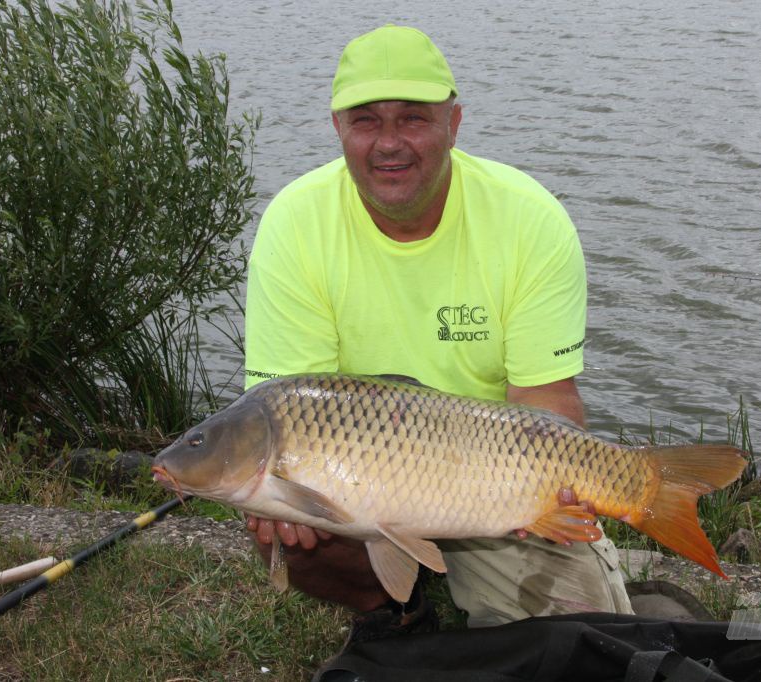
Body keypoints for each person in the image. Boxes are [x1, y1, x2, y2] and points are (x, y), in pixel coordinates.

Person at [243, 24, 633, 640]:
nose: (389, 143)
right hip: (363, 482)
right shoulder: (295, 225)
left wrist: (544, 501)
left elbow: (550, 403)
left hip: (494, 484)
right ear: (338, 130)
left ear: (454, 125)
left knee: (587, 644)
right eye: (366, 121)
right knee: (283, 521)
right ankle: (395, 615)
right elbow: (289, 406)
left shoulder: (528, 218)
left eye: (414, 120)